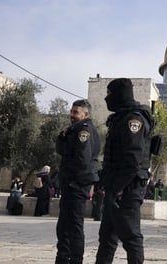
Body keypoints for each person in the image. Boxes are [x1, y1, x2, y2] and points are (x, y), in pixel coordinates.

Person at [95, 78, 154, 264]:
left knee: (131, 238)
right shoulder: (121, 117)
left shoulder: (133, 119)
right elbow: (113, 159)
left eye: (110, 94)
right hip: (115, 187)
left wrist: (118, 188)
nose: (106, 98)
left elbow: (132, 160)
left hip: (127, 188)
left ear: (120, 95)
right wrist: (104, 184)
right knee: (107, 237)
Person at [55, 99, 100, 264]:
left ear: (85, 114)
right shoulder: (74, 130)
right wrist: (62, 137)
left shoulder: (84, 132)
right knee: (63, 228)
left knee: (74, 228)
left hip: (76, 185)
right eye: (71, 111)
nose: (72, 115)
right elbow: (62, 151)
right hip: (70, 185)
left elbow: (82, 159)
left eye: (76, 112)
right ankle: (62, 259)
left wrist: (71, 180)